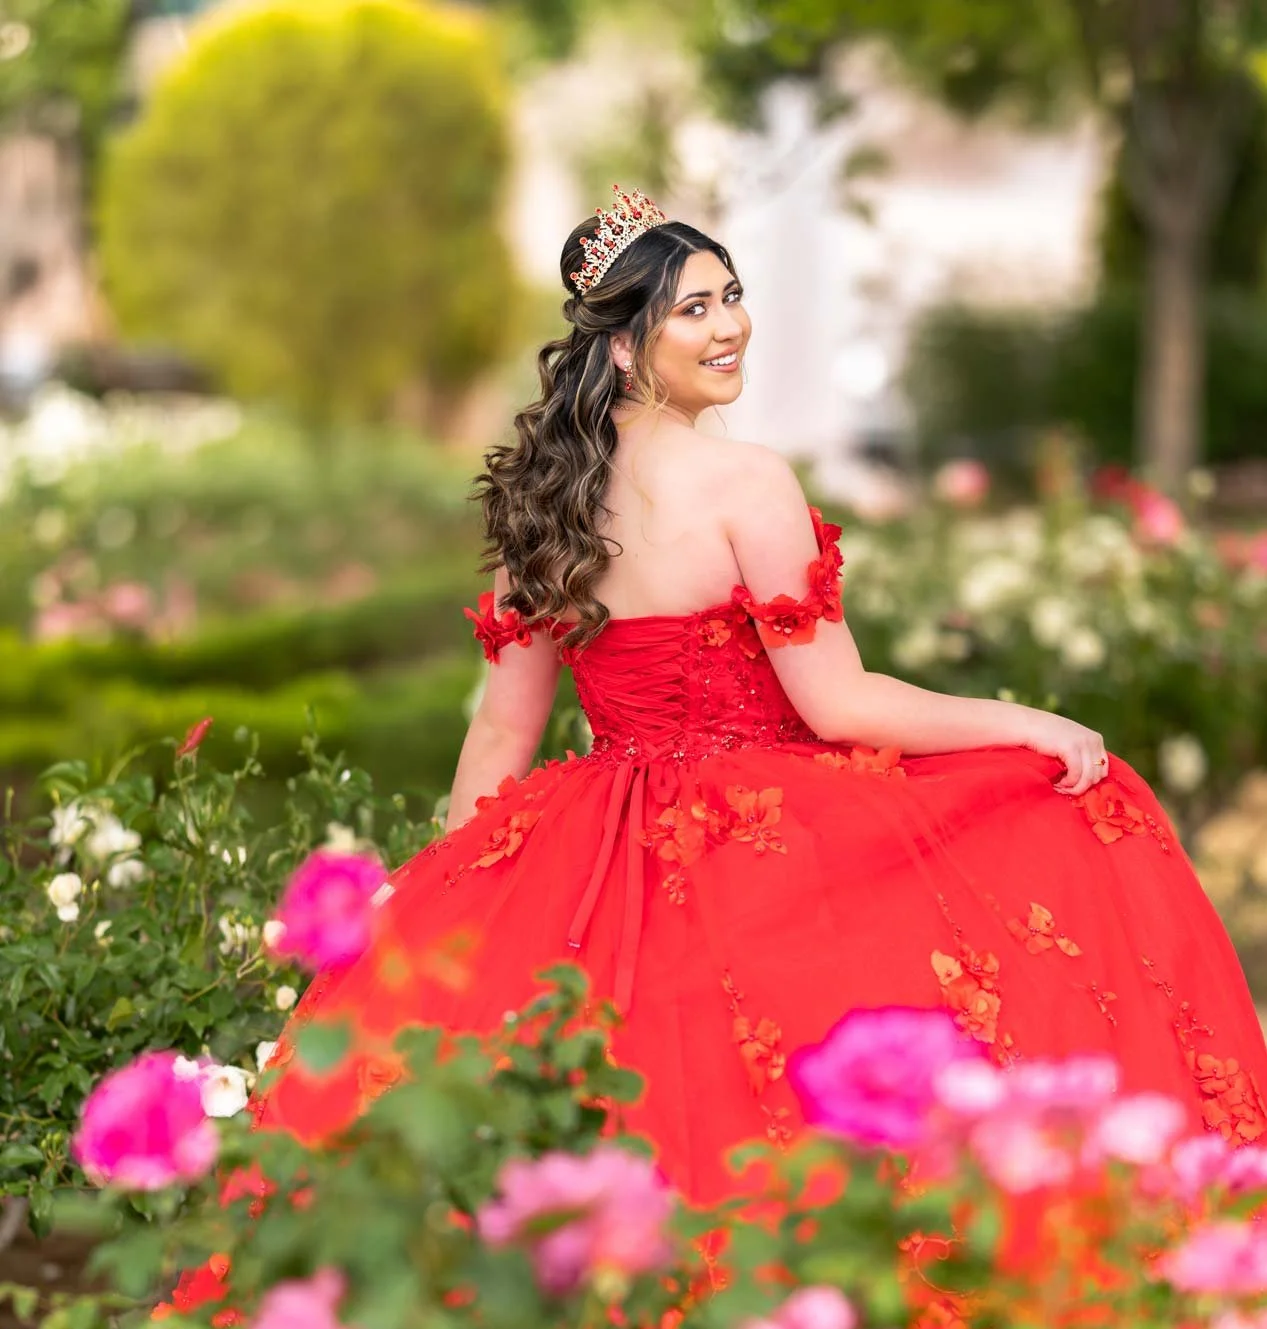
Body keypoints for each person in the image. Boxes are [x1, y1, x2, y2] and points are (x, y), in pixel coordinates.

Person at [253, 184, 1267, 1206]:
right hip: (763, 835)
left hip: (599, 847)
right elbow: (839, 704)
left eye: (729, 295)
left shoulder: (540, 502)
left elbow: (502, 735)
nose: (730, 324)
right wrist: (1027, 723)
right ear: (619, 347)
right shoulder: (744, 483)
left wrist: (454, 910)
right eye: (692, 309)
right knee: (1078, 829)